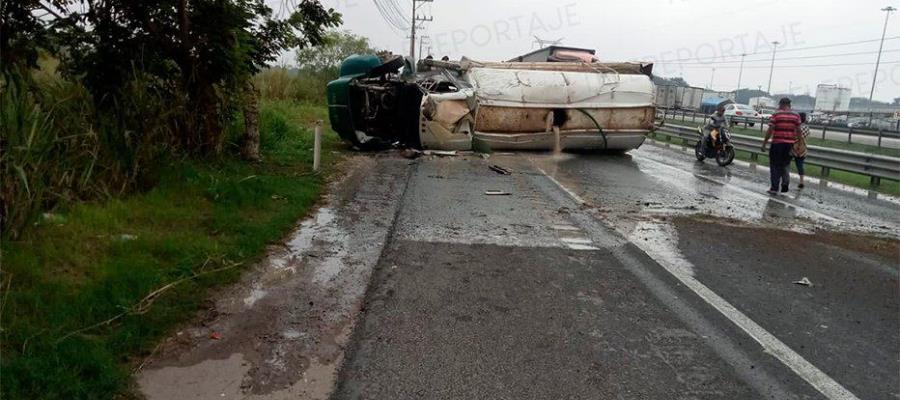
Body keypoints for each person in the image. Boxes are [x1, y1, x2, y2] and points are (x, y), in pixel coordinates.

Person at [761, 98, 802, 194]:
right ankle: (785, 182)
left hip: (777, 144)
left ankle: (774, 188)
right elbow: (799, 130)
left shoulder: (776, 114)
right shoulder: (796, 116)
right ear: (789, 104)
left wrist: (764, 143)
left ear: (781, 104)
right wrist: (799, 144)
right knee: (786, 164)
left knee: (775, 166)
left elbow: (771, 129)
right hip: (789, 145)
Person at [792, 112, 811, 188]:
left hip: (793, 147)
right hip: (802, 148)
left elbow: (793, 136)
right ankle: (801, 181)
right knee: (800, 165)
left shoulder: (796, 127)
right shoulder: (807, 127)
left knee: (785, 163)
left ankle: (782, 177)